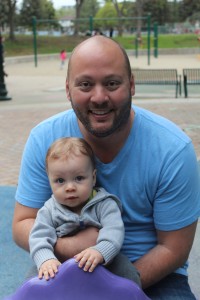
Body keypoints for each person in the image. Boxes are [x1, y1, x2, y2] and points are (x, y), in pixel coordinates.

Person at [13, 35, 200, 299]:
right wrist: (70, 247)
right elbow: (23, 223)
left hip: (148, 274)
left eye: (112, 83)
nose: (99, 97)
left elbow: (173, 249)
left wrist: (106, 290)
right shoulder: (44, 138)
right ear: (68, 89)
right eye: (86, 84)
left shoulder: (172, 149)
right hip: (61, 269)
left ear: (132, 85)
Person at [29, 137, 140, 285]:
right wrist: (46, 259)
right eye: (60, 181)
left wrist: (100, 251)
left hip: (101, 260)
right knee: (34, 279)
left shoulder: (105, 204)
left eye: (79, 178)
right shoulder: (49, 210)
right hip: (59, 261)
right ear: (49, 181)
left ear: (93, 178)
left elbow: (114, 231)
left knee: (128, 272)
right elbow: (38, 238)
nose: (70, 187)